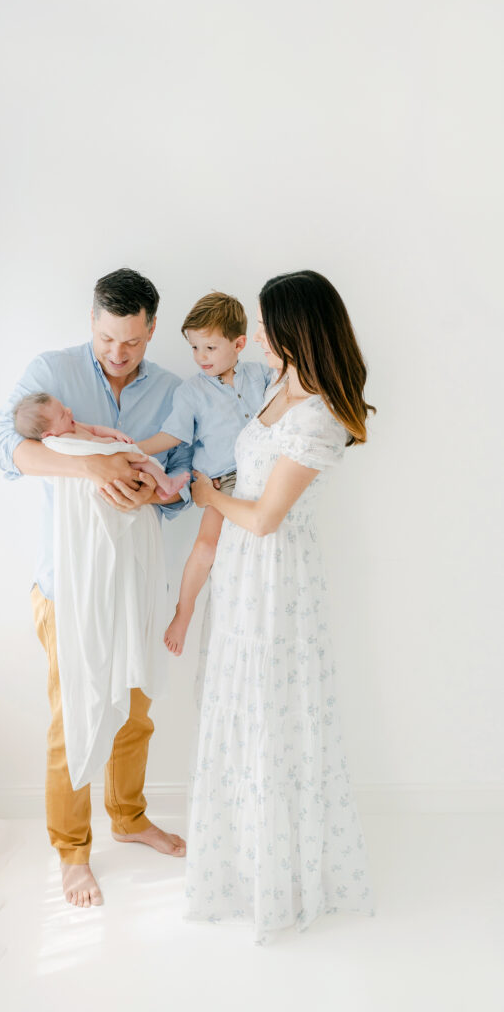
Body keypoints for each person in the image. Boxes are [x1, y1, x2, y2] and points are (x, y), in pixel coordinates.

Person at [0, 268, 192, 910]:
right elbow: (3, 448)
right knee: (73, 717)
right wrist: (91, 463)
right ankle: (72, 851)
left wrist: (149, 493)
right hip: (67, 585)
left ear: (151, 330)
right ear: (93, 323)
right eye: (107, 338)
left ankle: (128, 817)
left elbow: (183, 473)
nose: (117, 353)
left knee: (135, 712)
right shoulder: (51, 372)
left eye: (131, 341)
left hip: (134, 583)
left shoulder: (170, 390)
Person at [184, 270, 376, 940]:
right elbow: (255, 481)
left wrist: (209, 500)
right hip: (242, 569)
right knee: (240, 700)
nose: (256, 333)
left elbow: (265, 518)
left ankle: (279, 876)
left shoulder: (317, 411)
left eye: (266, 323)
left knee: (271, 708)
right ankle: (241, 862)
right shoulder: (275, 386)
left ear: (296, 328)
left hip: (273, 576)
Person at [136, 292, 272, 654]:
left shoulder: (260, 375)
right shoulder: (192, 391)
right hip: (220, 479)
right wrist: (133, 449)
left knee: (261, 547)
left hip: (264, 474)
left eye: (210, 348)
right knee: (205, 546)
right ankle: (184, 611)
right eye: (195, 348)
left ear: (239, 344)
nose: (200, 358)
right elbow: (173, 435)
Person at [13, 391, 190, 500]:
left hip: (115, 456)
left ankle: (164, 487)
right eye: (62, 415)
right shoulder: (64, 440)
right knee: (144, 463)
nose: (69, 411)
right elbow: (90, 446)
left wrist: (115, 434)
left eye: (63, 406)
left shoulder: (73, 425)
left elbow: (95, 430)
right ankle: (167, 484)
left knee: (144, 465)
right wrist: (108, 444)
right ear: (49, 434)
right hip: (109, 464)